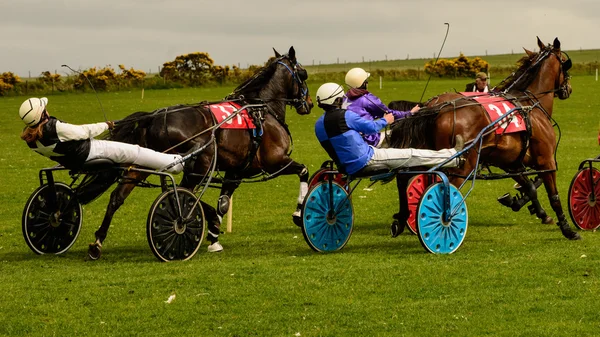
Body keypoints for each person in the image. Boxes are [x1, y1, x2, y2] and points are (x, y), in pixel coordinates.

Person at [314, 83, 464, 176]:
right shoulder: (346, 116)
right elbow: (372, 128)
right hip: (368, 159)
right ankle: (452, 157)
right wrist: (387, 120)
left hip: (345, 166)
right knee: (411, 154)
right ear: (338, 99)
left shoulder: (318, 125)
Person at [19, 97, 184, 173]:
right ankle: (175, 164)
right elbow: (83, 132)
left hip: (75, 160)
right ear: (42, 115)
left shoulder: (31, 140)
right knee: (135, 151)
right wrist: (106, 125)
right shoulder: (55, 127)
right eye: (44, 109)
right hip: (92, 151)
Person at [344, 67, 419, 148]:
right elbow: (389, 113)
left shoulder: (343, 98)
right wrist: (410, 113)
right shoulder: (368, 99)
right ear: (363, 84)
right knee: (400, 134)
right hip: (369, 141)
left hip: (349, 140)